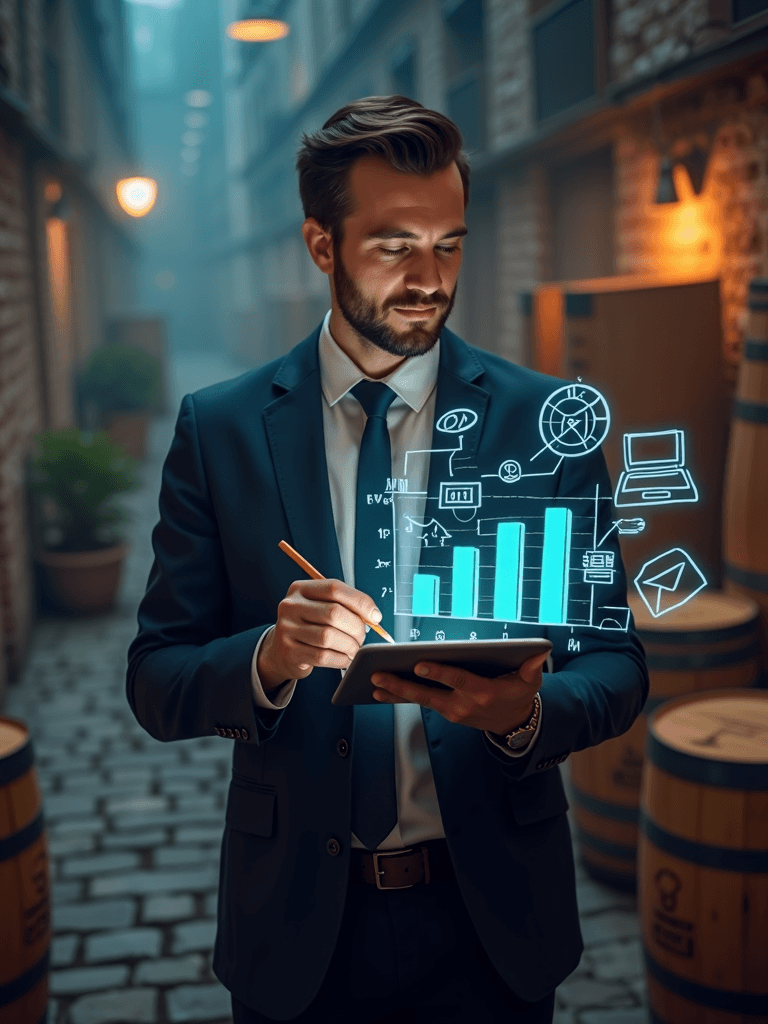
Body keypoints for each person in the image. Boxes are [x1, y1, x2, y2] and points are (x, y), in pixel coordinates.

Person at [126, 96, 648, 1024]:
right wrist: (268, 660)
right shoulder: (222, 430)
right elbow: (156, 679)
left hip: (492, 920)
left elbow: (617, 664)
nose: (428, 277)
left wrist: (527, 715)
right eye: (393, 245)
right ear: (321, 245)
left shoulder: (546, 423)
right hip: (297, 926)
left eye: (448, 244)